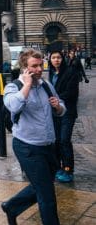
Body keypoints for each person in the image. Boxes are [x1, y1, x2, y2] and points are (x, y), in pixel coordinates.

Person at [2, 48, 66, 225]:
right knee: (47, 195)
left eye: (41, 65)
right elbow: (12, 105)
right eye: (34, 66)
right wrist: (27, 85)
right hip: (28, 147)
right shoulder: (14, 86)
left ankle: (12, 206)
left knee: (43, 184)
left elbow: (61, 106)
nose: (39, 69)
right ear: (25, 68)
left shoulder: (46, 85)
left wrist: (58, 107)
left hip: (48, 146)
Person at [48, 50, 80, 183]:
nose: (56, 60)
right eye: (54, 58)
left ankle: (68, 169)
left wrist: (56, 99)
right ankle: (58, 167)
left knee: (64, 140)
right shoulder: (51, 73)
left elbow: (72, 92)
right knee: (56, 140)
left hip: (68, 112)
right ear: (50, 60)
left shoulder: (71, 72)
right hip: (55, 112)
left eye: (59, 57)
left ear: (63, 59)